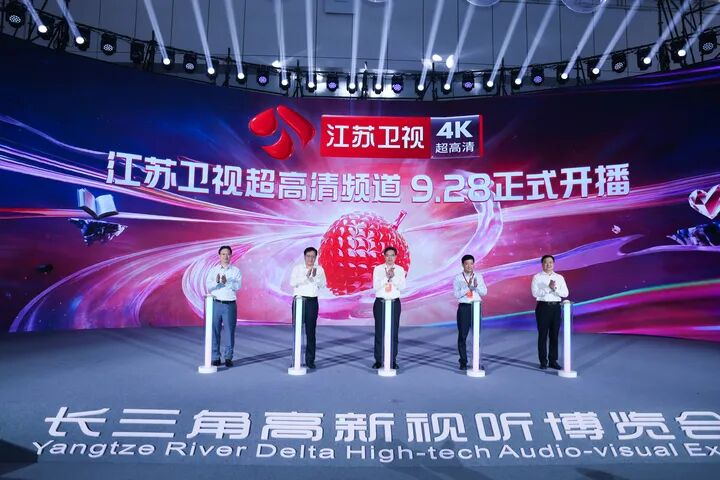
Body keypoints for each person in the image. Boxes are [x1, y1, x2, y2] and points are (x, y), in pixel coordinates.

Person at [289, 247, 326, 369]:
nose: (311, 259)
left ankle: (310, 360)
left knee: (311, 332)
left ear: (316, 257)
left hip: (312, 302)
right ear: (304, 257)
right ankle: (295, 360)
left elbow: (323, 285)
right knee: (297, 331)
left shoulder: (319, 269)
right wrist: (306, 276)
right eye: (308, 256)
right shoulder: (297, 268)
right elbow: (292, 283)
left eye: (313, 256)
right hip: (299, 301)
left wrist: (315, 277)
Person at [205, 245, 242, 367]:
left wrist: (228, 282)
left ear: (231, 256)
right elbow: (208, 286)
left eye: (228, 254)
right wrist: (217, 282)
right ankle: (215, 357)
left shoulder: (235, 271)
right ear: (219, 256)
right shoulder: (213, 270)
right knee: (215, 331)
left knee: (229, 332)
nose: (225, 256)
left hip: (229, 304)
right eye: (223, 254)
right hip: (216, 303)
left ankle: (228, 357)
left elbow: (238, 286)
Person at [531, 255, 569, 370]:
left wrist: (555, 289)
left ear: (554, 264)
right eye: (546, 262)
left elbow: (565, 293)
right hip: (543, 307)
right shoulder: (537, 277)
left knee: (554, 335)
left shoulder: (559, 277)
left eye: (550, 262)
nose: (548, 264)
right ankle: (543, 361)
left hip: (556, 307)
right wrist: (548, 288)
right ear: (542, 264)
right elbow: (535, 293)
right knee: (543, 335)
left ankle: (553, 360)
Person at [372, 246, 406, 370]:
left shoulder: (400, 270)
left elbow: (402, 286)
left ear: (395, 257)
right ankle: (378, 360)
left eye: (392, 255)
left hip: (394, 303)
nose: (390, 258)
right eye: (387, 255)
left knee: (393, 332)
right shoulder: (378, 269)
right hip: (380, 303)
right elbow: (376, 286)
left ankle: (392, 360)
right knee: (379, 332)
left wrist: (393, 277)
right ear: (384, 256)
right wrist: (386, 277)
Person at [452, 254, 488, 370]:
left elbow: (484, 292)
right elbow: (456, 294)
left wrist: (475, 287)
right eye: (467, 264)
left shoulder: (479, 276)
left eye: (471, 263)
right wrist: (468, 287)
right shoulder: (458, 278)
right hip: (464, 308)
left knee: (477, 335)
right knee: (463, 335)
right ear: (463, 265)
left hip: (476, 306)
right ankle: (463, 361)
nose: (469, 266)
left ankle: (477, 362)